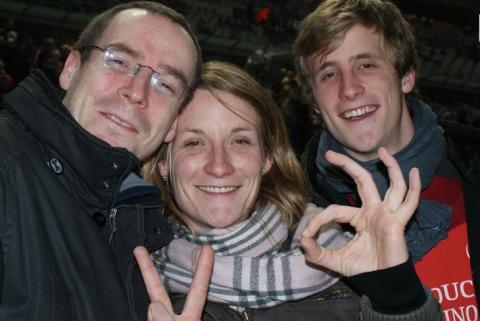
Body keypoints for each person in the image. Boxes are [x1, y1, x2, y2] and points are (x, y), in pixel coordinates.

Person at [137, 60, 441, 321]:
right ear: (164, 162)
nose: (219, 166)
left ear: (267, 158)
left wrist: (396, 293)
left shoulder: (345, 256)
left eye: (240, 141)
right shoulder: (131, 280)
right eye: (194, 143)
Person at [0, 2, 203, 320]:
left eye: (165, 85)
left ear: (173, 125)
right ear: (70, 68)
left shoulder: (140, 226)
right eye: (119, 61)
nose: (137, 92)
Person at [292, 0, 480, 319]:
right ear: (313, 99)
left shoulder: (471, 171)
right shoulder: (294, 216)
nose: (349, 89)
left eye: (366, 65)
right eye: (328, 74)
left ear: (406, 76)